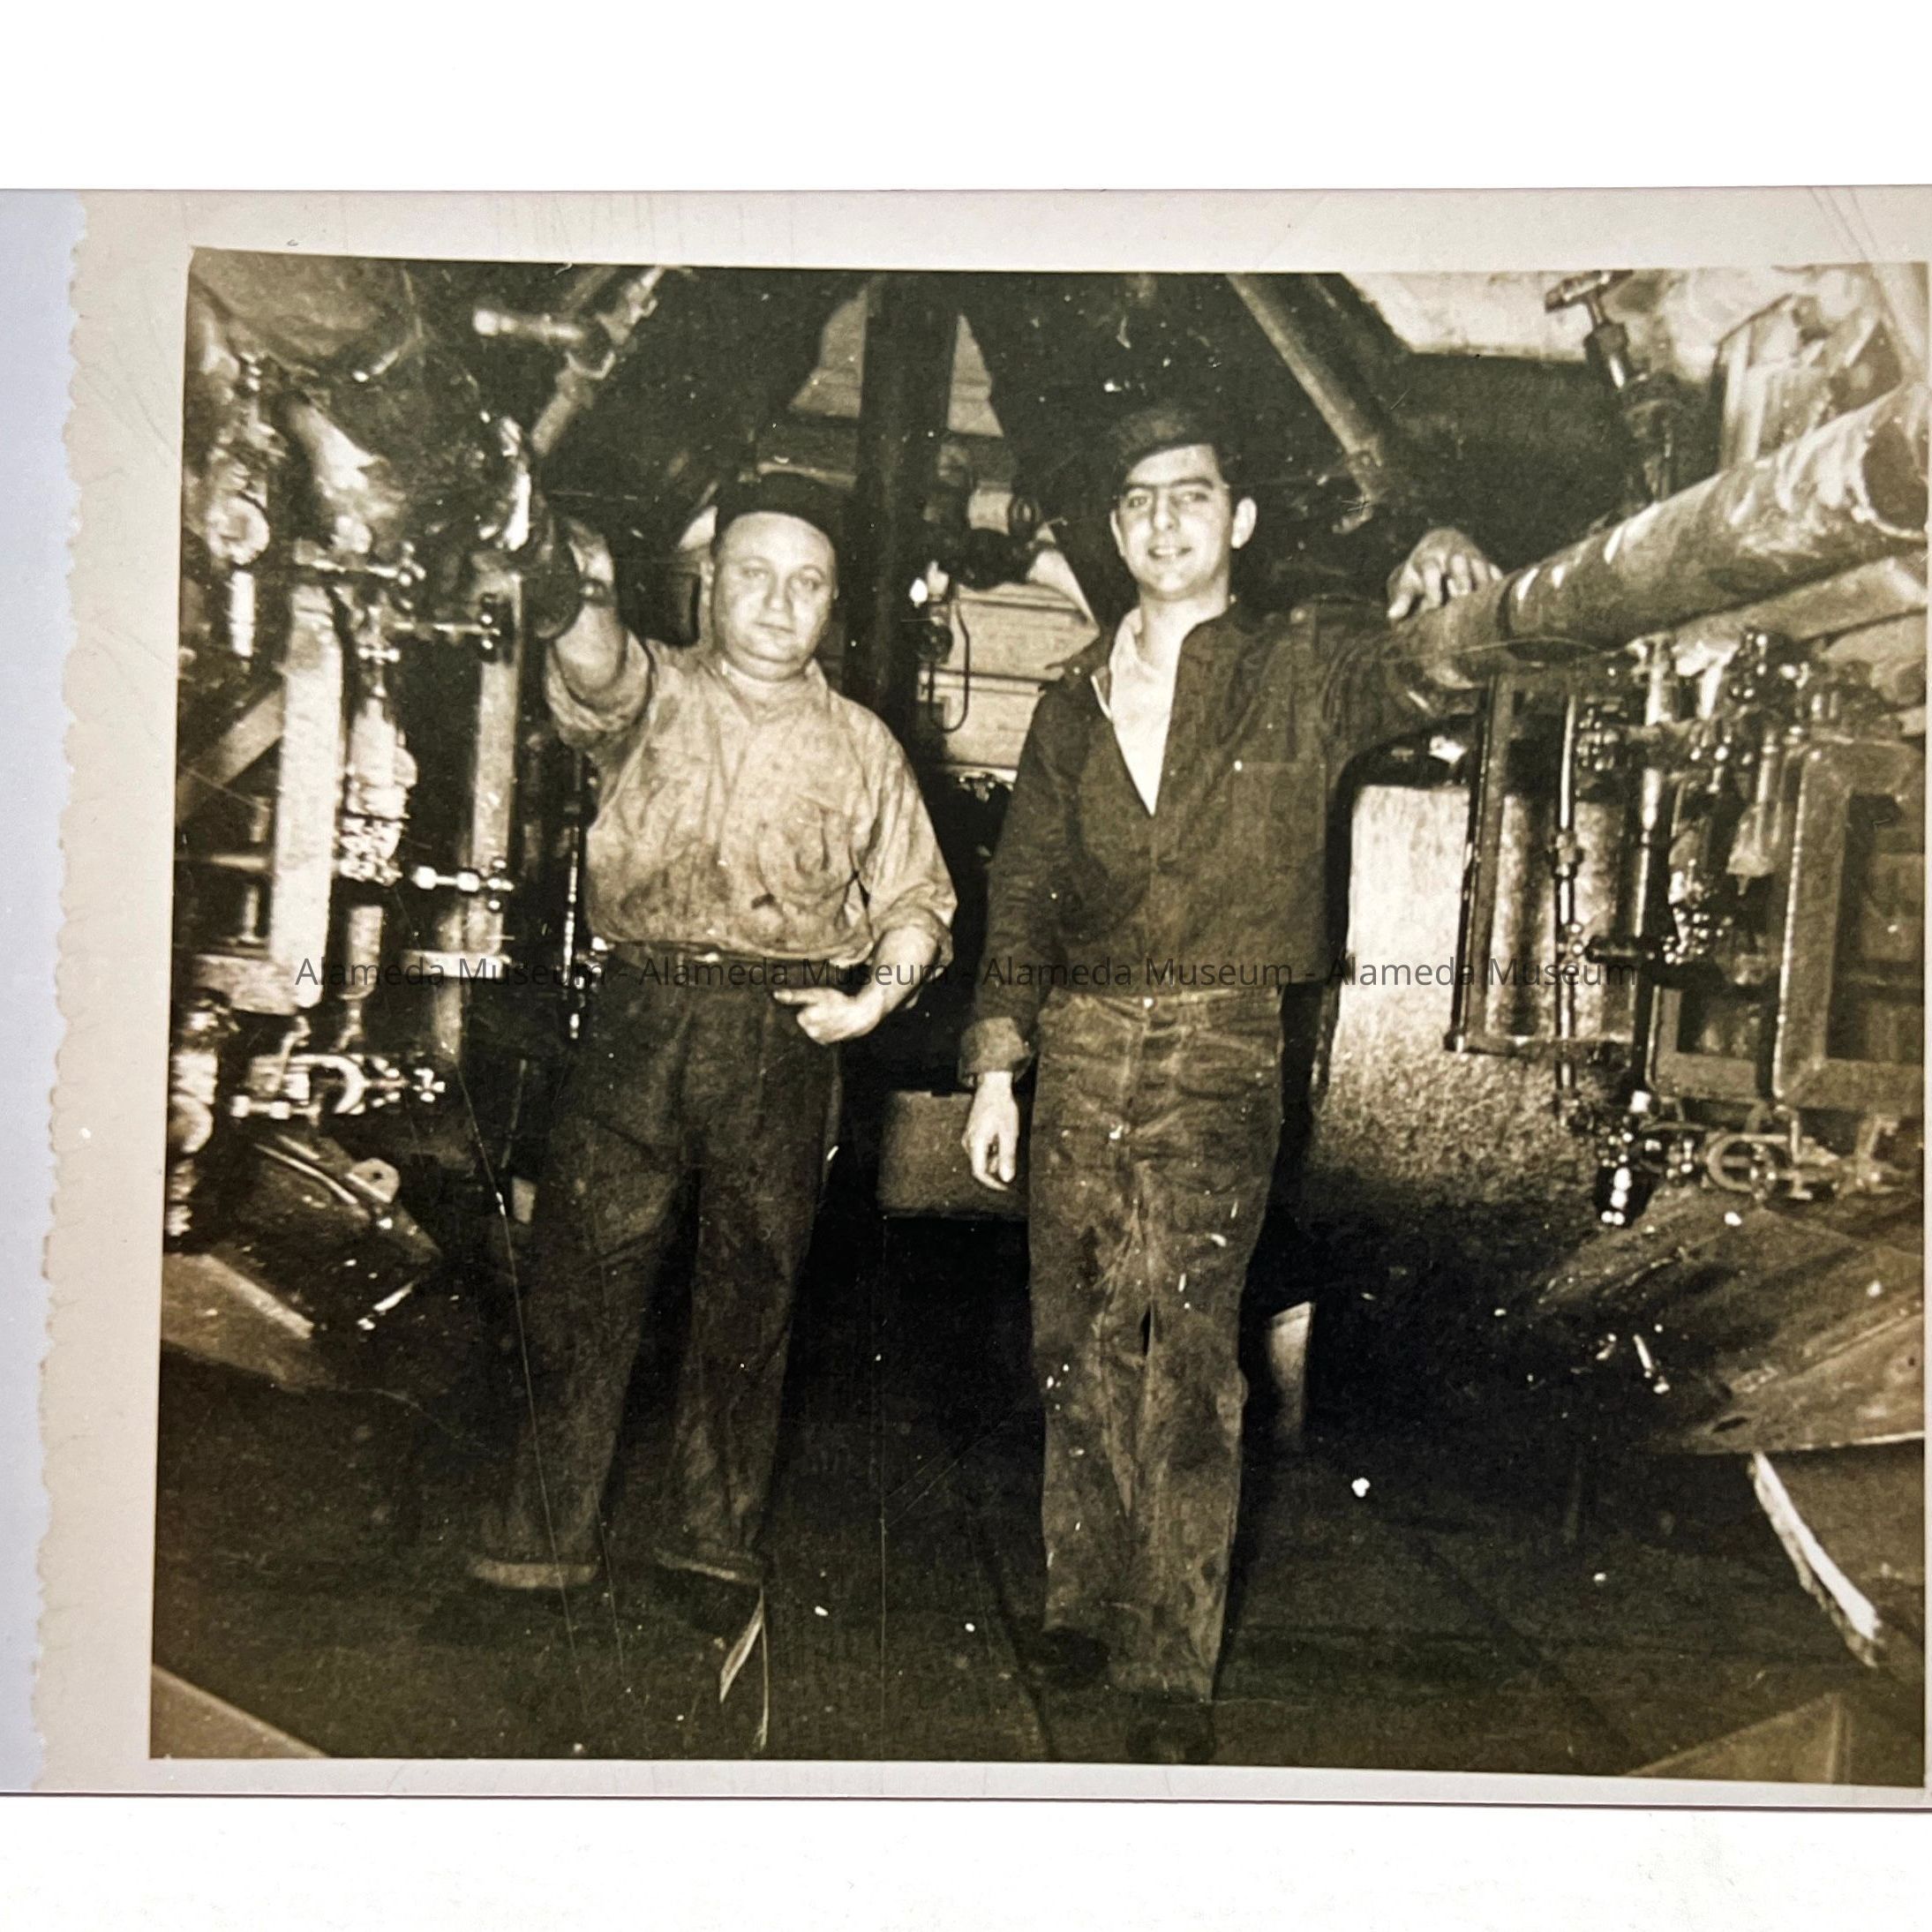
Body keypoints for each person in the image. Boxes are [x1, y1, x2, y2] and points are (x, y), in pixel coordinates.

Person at [960, 401, 1493, 1763]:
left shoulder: (1299, 665)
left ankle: (1165, 1662)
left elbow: (1426, 674)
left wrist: (1445, 558)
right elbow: (1022, 890)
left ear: (1238, 518)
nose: (1162, 520)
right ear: (1113, 525)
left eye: (1188, 493)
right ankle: (1082, 1599)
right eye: (1137, 499)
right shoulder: (1070, 697)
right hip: (1081, 1033)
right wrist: (997, 1067)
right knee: (1075, 1330)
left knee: (1186, 1346)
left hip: (1219, 1035)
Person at [470, 470, 956, 1639]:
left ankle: (710, 1545)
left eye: (807, 583)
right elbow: (592, 665)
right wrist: (567, 573)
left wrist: (868, 1008)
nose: (779, 603)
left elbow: (919, 905)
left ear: (834, 603)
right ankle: (537, 1549)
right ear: (706, 583)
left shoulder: (864, 746)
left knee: (752, 1289)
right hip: (637, 1016)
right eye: (753, 574)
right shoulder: (652, 692)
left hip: (778, 1033)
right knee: (580, 1280)